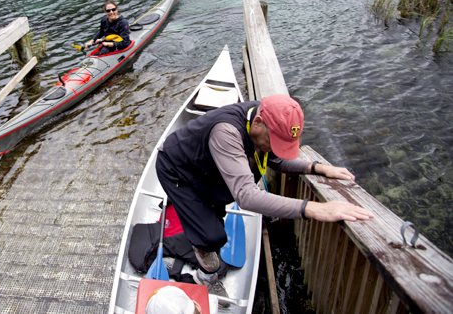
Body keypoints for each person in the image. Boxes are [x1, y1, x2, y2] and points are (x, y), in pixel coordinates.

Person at [155, 94, 374, 306]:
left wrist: (317, 167)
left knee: (214, 226)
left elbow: (277, 161)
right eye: (274, 142)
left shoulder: (264, 117)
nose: (274, 149)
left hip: (205, 168)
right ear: (258, 123)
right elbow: (247, 196)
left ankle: (197, 238)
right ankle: (203, 275)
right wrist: (313, 209)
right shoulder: (226, 132)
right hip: (177, 170)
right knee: (212, 237)